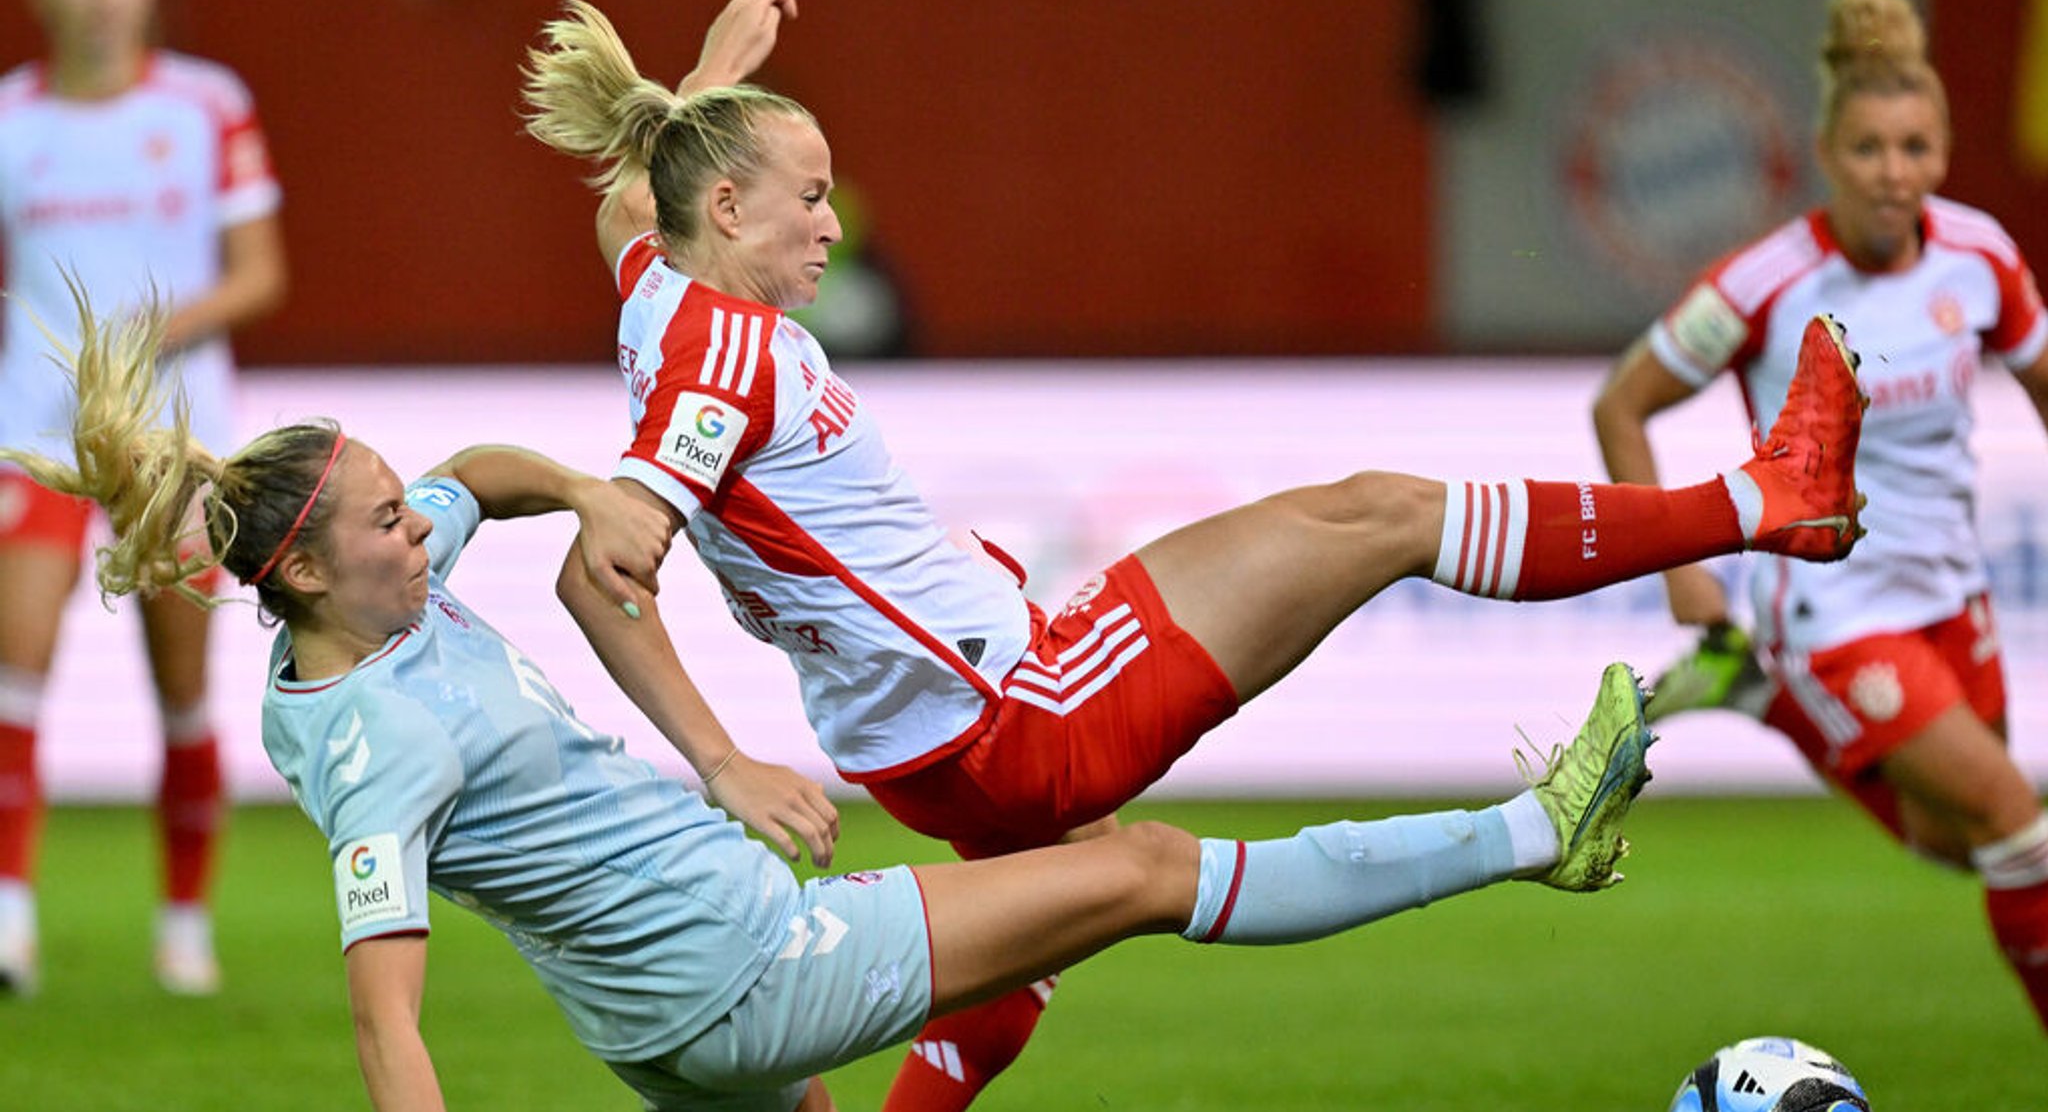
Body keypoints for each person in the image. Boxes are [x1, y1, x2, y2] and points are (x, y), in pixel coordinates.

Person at [520, 0, 1869, 1111]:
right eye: (807, 197)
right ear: (734, 214)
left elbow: (630, 207)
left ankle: (1536, 827)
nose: (831, 221)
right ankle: (1769, 496)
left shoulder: (654, 279)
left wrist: (704, 84)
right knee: (1377, 515)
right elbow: (604, 564)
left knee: (1064, 918)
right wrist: (723, 759)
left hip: (925, 745)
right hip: (1012, 711)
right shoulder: (723, 350)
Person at [9, 283, 1663, 1112]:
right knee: (1143, 866)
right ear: (303, 576)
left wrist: (586, 495)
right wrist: (718, 762)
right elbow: (385, 1012)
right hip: (742, 967)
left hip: (658, 1009)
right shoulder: (369, 749)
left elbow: (467, 473)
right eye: (381, 523)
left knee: (1058, 910)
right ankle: (1540, 826)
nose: (415, 524)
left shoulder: (375, 575)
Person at [1592, 0, 2048, 1035]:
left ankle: (1758, 698)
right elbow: (1622, 403)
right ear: (1825, 155)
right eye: (1870, 150)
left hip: (1949, 590)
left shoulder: (1977, 256)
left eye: (1915, 148)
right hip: (1832, 611)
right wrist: (1680, 568)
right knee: (2014, 825)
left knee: (1961, 840)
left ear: (1940, 152)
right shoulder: (1762, 280)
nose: (1894, 175)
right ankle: (1774, 672)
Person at [0, 0, 288, 996]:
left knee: (181, 685)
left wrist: (144, 335)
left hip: (178, 436)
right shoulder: (10, 120)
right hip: (35, 430)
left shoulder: (207, 104)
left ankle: (182, 921)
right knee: (15, 661)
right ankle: (9, 922)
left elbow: (261, 270)